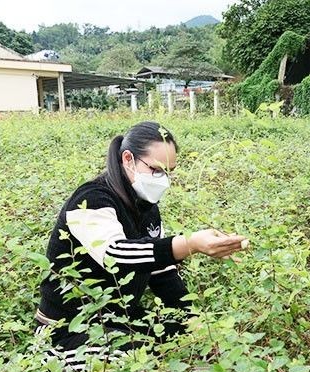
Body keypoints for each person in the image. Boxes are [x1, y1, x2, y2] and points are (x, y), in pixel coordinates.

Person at [35, 121, 246, 351]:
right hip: (69, 327)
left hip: (118, 318)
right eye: (155, 170)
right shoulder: (91, 199)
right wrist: (189, 244)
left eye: (169, 172)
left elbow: (161, 271)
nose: (163, 180)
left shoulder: (146, 204)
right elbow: (116, 255)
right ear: (128, 159)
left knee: (185, 333)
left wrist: (191, 319)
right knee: (139, 359)